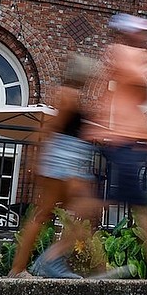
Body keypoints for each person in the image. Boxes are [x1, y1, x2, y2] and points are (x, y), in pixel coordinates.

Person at [84, 13, 147, 280]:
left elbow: (139, 101)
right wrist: (146, 71)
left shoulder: (136, 56)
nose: (145, 37)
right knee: (134, 204)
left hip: (128, 141)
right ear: (129, 33)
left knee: (129, 202)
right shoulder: (121, 52)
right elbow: (138, 80)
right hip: (120, 141)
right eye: (141, 32)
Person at [8, 54, 97, 279]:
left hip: (68, 159)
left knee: (80, 211)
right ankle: (27, 266)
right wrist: (39, 160)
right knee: (52, 214)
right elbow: (52, 129)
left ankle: (48, 261)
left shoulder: (71, 94)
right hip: (64, 161)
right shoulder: (68, 95)